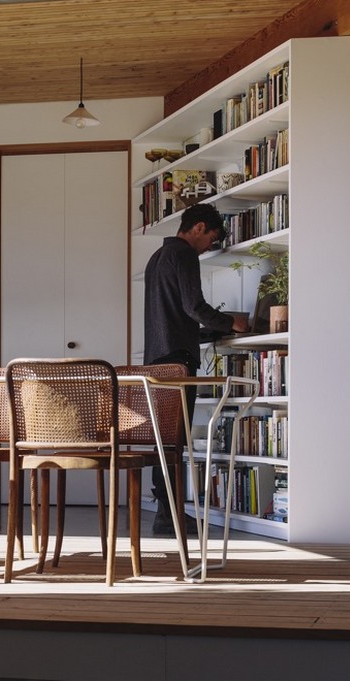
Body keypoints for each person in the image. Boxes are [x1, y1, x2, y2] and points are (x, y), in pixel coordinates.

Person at [143, 201, 250, 535]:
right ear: (199, 228)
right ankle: (172, 516)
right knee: (177, 441)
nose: (209, 247)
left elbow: (174, 314)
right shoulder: (184, 254)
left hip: (156, 360)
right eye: (211, 239)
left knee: (165, 441)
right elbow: (194, 306)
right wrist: (232, 324)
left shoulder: (157, 258)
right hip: (177, 361)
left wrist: (208, 329)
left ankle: (165, 512)